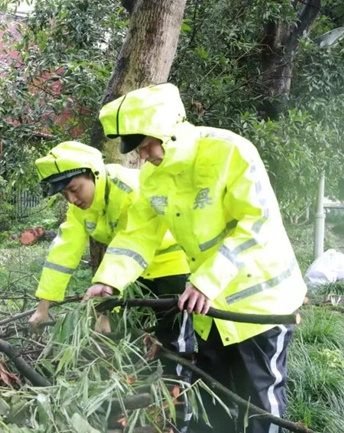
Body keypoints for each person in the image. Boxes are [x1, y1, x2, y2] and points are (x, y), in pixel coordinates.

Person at [84, 83, 307, 433]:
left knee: (259, 404)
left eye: (145, 145)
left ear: (167, 131)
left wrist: (205, 281)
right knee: (210, 400)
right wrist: (108, 279)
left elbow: (256, 222)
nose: (144, 155)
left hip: (259, 306)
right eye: (138, 149)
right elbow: (139, 234)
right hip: (208, 308)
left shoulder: (229, 151)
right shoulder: (154, 176)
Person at [29, 142, 195, 428]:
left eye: (75, 188)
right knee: (133, 344)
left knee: (173, 346)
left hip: (170, 270)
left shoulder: (128, 189)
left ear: (94, 173)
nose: (72, 199)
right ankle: (139, 412)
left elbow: (128, 242)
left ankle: (179, 417)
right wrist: (44, 306)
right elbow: (63, 252)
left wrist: (104, 311)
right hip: (125, 277)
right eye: (65, 194)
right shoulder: (81, 208)